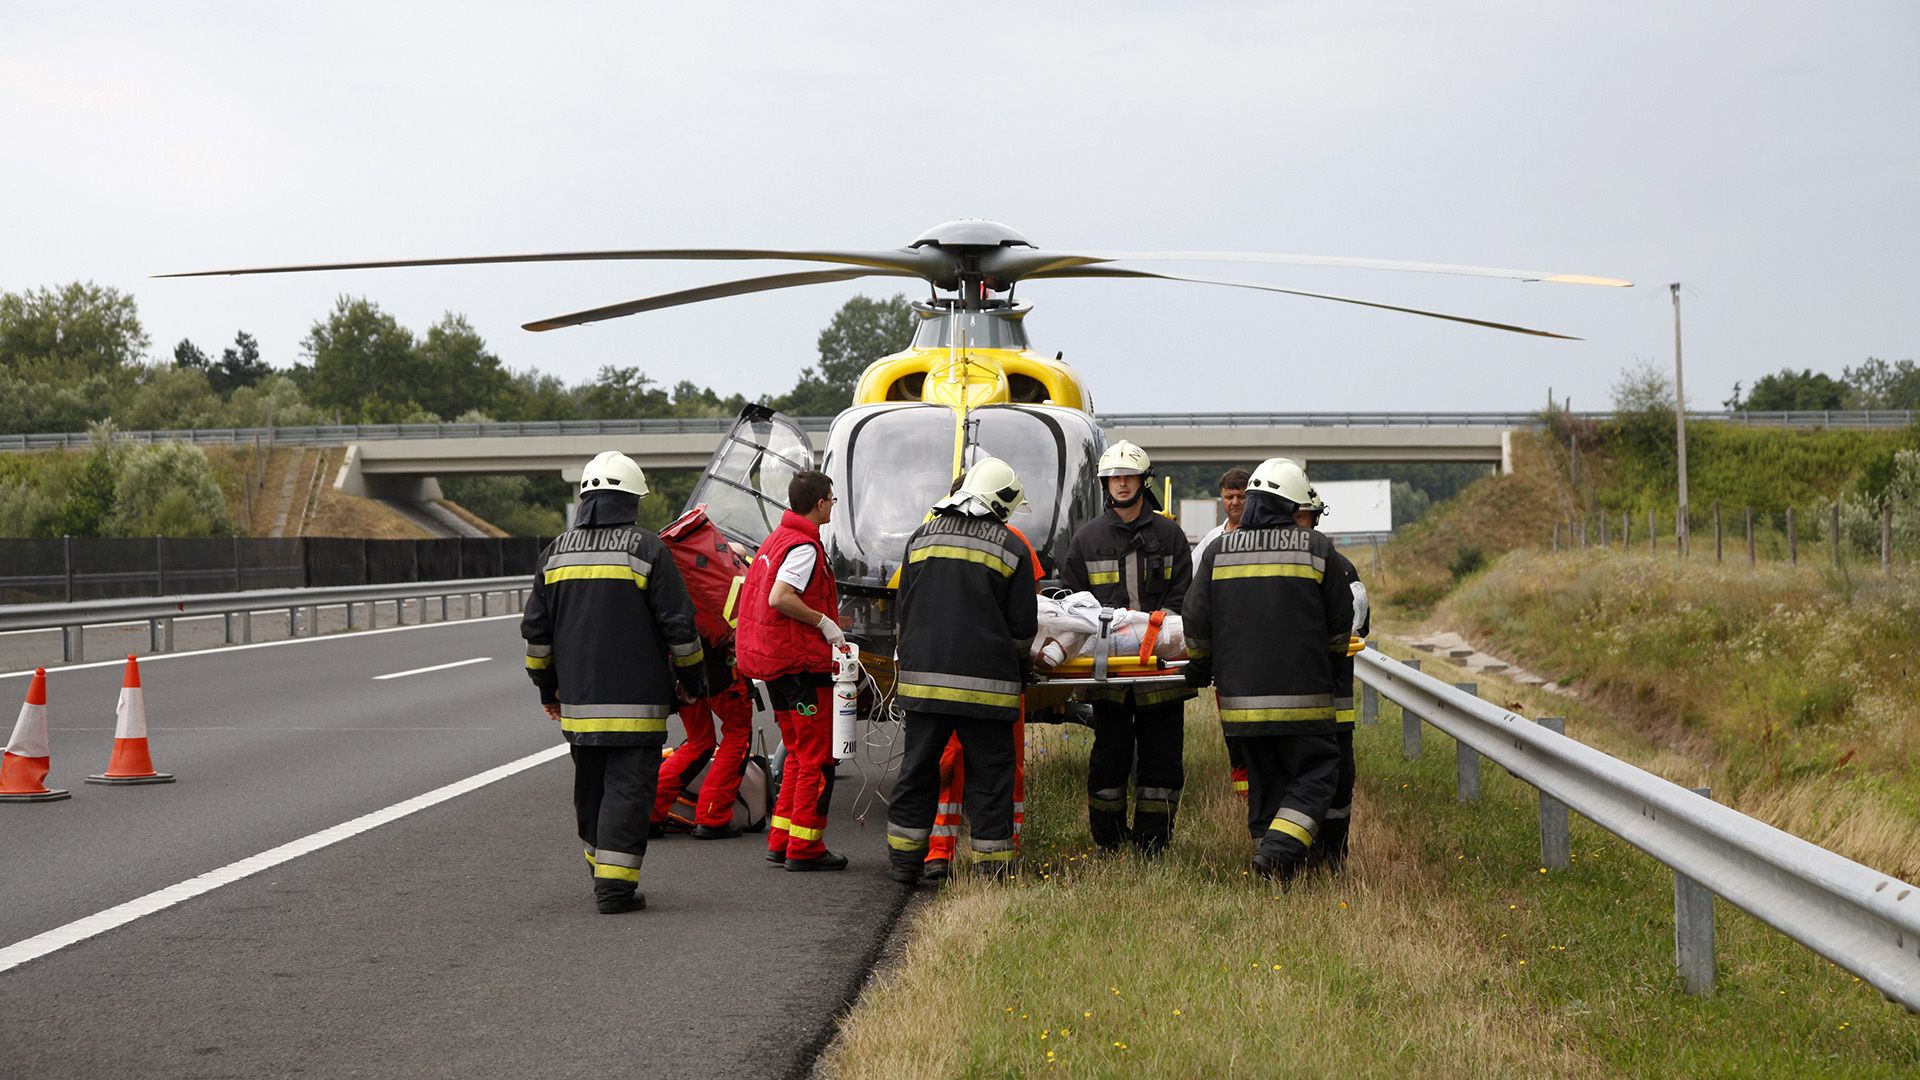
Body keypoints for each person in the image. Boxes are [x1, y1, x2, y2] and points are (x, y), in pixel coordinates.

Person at [521, 451, 706, 914]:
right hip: (637, 705)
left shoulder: (555, 551)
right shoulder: (647, 549)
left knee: (593, 791)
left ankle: (602, 872)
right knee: (628, 791)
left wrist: (548, 689)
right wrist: (693, 681)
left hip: (580, 706)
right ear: (631, 500)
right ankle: (614, 890)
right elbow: (679, 627)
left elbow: (536, 635)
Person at [1182, 457, 1351, 883]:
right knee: (1318, 773)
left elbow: (1195, 617)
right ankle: (1278, 853)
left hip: (1240, 704)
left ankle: (1274, 868)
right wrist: (1328, 664)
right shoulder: (1317, 549)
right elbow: (1339, 624)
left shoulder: (1219, 550)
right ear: (1292, 504)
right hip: (1304, 699)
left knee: (1265, 782)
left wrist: (1201, 665)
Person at [886, 458, 1040, 886]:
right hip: (986, 692)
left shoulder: (920, 538)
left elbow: (904, 608)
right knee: (991, 777)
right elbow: (1024, 627)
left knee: (918, 770)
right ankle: (992, 868)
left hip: (925, 684)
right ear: (1001, 503)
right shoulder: (1011, 548)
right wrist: (1017, 665)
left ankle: (904, 862)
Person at [1060, 440, 1195, 854]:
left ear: (1142, 481)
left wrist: (1152, 634)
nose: (1121, 484)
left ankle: (1154, 842)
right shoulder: (1087, 540)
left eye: (1129, 477)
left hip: (1160, 670)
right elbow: (1072, 605)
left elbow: (1183, 598)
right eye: (1115, 478)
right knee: (1109, 756)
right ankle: (1109, 840)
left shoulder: (1170, 536)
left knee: (1162, 759)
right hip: (1110, 672)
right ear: (1105, 484)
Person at [735, 469, 849, 872]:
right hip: (801, 668)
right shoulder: (803, 547)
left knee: (799, 755)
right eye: (832, 500)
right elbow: (780, 597)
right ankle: (806, 848)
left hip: (776, 667)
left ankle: (782, 839)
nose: (833, 506)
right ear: (819, 503)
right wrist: (824, 622)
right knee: (817, 757)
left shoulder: (776, 539)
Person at [924, 513, 1045, 882]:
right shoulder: (1013, 541)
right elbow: (1030, 609)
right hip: (998, 677)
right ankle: (996, 850)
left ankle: (940, 854)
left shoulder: (931, 535)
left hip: (947, 674)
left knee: (948, 763)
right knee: (1001, 766)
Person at [1298, 489, 1369, 871]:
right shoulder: (1276, 569)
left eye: (1304, 516)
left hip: (1334, 704)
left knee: (1339, 782)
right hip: (1291, 705)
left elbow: (1360, 626)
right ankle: (1301, 857)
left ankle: (1333, 856)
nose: (1299, 524)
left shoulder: (1342, 568)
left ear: (1315, 519)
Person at [1191, 466, 1252, 802]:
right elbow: (1195, 595)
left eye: (1241, 496)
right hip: (1226, 652)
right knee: (1233, 726)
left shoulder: (1262, 537)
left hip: (1258, 649)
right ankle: (1243, 791)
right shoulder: (1211, 543)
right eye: (1229, 496)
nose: (1234, 502)